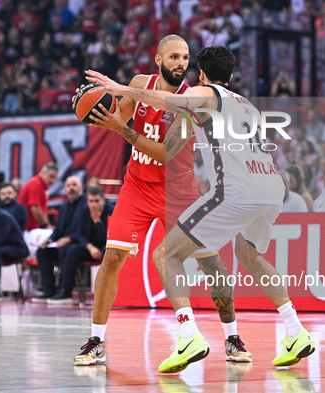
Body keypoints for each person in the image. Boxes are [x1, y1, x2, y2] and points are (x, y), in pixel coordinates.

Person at [86, 45, 315, 372]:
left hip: (233, 191)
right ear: (232, 76)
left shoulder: (204, 93)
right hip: (270, 187)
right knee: (251, 257)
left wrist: (121, 89)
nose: (182, 65)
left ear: (202, 74)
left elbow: (172, 104)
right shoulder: (246, 104)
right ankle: (296, 331)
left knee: (165, 255)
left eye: (187, 60)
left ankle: (189, 334)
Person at [73, 37, 254, 368]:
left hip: (179, 190)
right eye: (174, 56)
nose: (181, 62)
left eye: (185, 57)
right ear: (158, 59)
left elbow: (166, 154)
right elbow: (117, 113)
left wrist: (120, 128)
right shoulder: (140, 85)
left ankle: (231, 337)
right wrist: (94, 107)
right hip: (137, 186)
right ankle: (96, 341)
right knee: (112, 258)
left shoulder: (192, 101)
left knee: (211, 263)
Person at [47, 186, 113, 305]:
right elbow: (81, 234)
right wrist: (90, 248)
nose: (93, 204)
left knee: (107, 250)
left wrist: (97, 221)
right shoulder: (84, 211)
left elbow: (107, 237)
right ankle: (66, 291)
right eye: (90, 201)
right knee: (69, 250)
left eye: (97, 201)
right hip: (90, 248)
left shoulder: (111, 211)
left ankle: (109, 293)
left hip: (105, 247)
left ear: (103, 200)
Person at [33, 176, 86, 303]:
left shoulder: (86, 205)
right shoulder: (64, 207)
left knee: (67, 250)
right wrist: (50, 239)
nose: (71, 188)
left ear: (81, 187)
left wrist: (69, 239)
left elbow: (85, 231)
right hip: (63, 245)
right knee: (42, 252)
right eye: (68, 186)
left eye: (74, 185)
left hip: (82, 245)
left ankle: (66, 291)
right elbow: (58, 230)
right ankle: (49, 290)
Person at [18, 163, 58, 231]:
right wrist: (45, 226)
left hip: (31, 228)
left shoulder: (42, 187)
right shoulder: (36, 184)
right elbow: (35, 208)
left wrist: (47, 225)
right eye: (51, 176)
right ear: (43, 173)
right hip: (26, 229)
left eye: (55, 178)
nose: (53, 181)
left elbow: (43, 211)